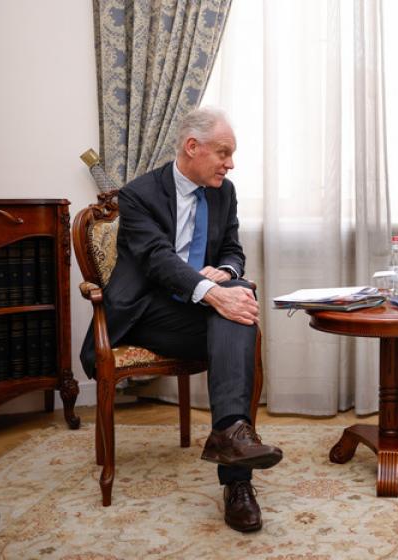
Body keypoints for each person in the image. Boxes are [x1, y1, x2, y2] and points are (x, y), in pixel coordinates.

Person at [80, 107, 282, 533]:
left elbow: (233, 249)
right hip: (145, 313)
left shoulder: (223, 192)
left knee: (238, 308)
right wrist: (211, 292)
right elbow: (156, 259)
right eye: (223, 153)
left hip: (191, 310)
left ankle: (233, 457)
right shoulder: (138, 195)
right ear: (193, 147)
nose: (230, 164)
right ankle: (237, 465)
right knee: (233, 309)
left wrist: (224, 274)